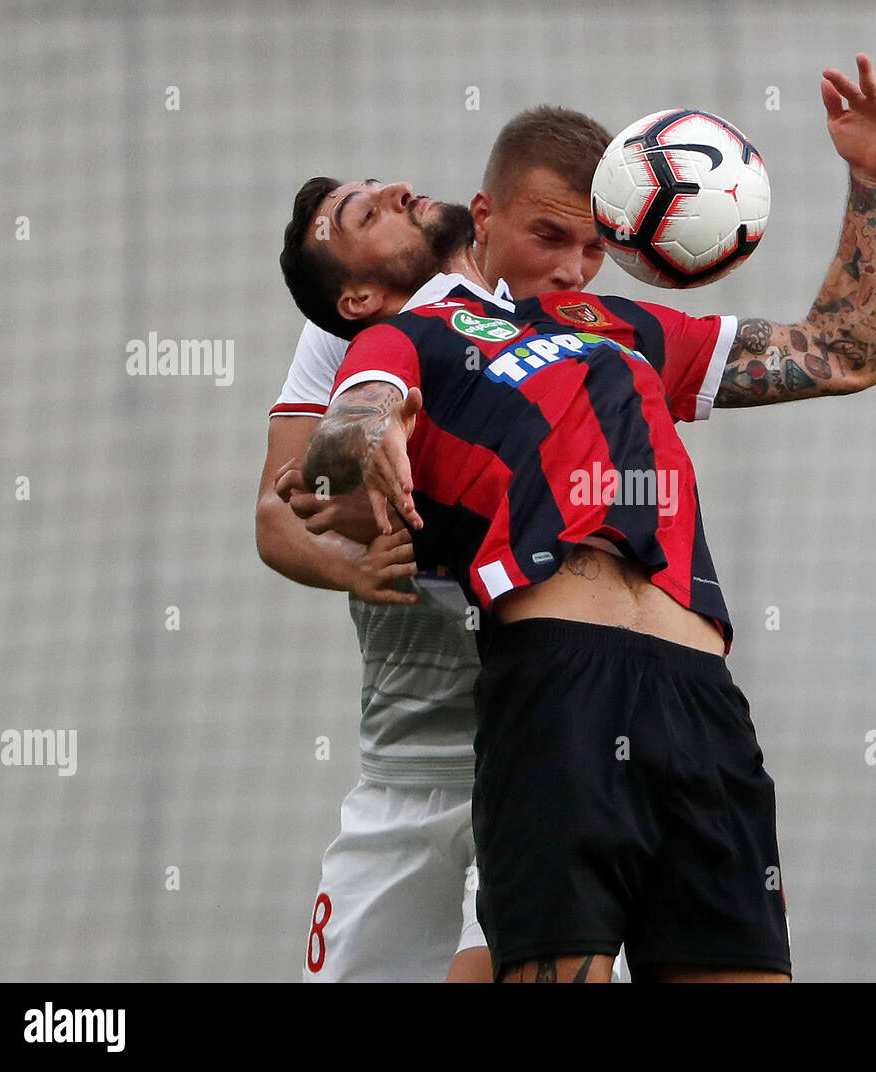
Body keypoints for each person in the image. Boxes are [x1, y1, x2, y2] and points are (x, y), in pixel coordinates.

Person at [284, 55, 876, 981]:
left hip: (700, 693)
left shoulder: (622, 327)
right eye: (548, 236)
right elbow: (351, 422)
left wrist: (875, 179)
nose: (573, 267)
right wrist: (362, 438)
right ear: (485, 221)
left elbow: (844, 354)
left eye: (592, 245)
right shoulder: (410, 333)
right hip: (556, 686)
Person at [256, 106, 612, 982]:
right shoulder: (346, 342)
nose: (393, 190)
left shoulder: (555, 312)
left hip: (543, 728)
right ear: (355, 299)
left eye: (381, 188)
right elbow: (281, 509)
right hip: (412, 737)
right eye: (362, 214)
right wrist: (356, 560)